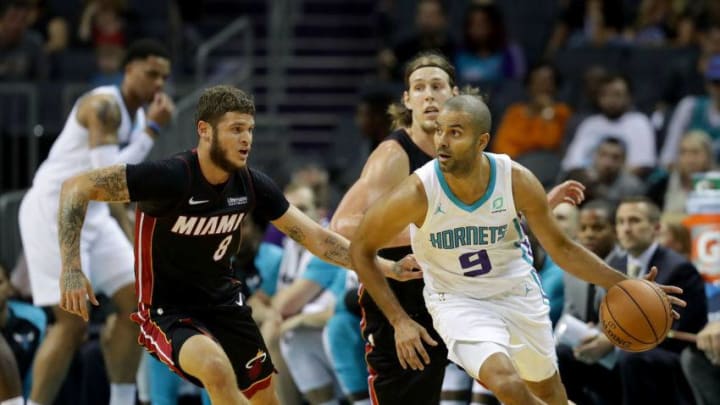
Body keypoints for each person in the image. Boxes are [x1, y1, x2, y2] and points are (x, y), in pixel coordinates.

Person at [56, 85, 420, 405]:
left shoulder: (251, 184)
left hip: (226, 306)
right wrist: (71, 267)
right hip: (168, 312)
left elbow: (317, 238)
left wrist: (386, 267)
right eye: (235, 129)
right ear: (204, 131)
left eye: (250, 130)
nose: (246, 139)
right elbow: (76, 187)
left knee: (265, 397)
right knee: (215, 369)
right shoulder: (170, 177)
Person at [349, 95, 686, 405]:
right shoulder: (419, 191)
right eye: (439, 131)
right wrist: (399, 320)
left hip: (518, 293)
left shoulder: (515, 180)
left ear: (481, 141)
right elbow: (361, 248)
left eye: (455, 133)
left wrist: (624, 283)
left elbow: (563, 249)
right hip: (458, 302)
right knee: (507, 384)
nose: (442, 141)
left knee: (551, 394)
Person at [330, 52, 585, 405]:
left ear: (455, 94)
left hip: (462, 291)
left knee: (517, 387)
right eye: (418, 88)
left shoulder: (463, 148)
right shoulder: (394, 154)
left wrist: (535, 205)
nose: (429, 95)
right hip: (403, 298)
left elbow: (478, 223)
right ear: (407, 100)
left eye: (437, 86)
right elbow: (344, 224)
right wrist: (427, 232)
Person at [18, 38, 174, 405]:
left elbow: (113, 191)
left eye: (164, 77)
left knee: (139, 306)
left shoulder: (134, 115)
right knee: (72, 322)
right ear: (128, 70)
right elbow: (109, 176)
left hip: (96, 213)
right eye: (151, 74)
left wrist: (130, 230)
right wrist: (152, 131)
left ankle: (121, 401)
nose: (158, 85)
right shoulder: (103, 105)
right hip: (56, 210)